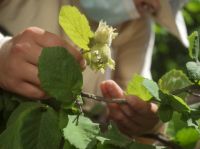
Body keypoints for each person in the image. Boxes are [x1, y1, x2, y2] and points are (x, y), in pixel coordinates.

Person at [0, 0, 188, 141]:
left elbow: (136, 96)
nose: (134, 6)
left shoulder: (137, 28)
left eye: (147, 6)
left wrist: (148, 124)